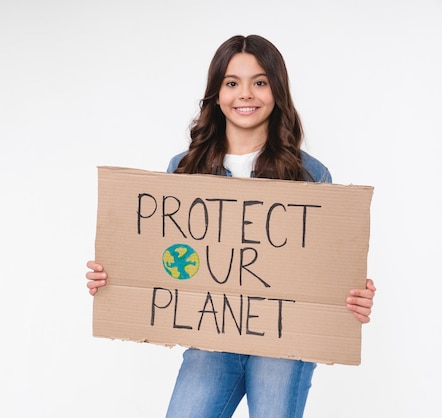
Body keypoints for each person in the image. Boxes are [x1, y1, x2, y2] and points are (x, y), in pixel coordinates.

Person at [85, 34, 376, 418]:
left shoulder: (310, 174)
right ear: (217, 93)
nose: (246, 95)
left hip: (283, 344)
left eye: (260, 82)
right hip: (211, 341)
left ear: (277, 91)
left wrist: (352, 294)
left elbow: (322, 271)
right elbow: (171, 258)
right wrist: (118, 278)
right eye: (232, 83)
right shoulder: (183, 170)